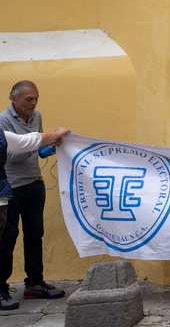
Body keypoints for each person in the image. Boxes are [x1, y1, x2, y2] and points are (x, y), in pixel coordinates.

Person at [0, 81, 70, 311]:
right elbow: (9, 156)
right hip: (10, 188)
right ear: (13, 98)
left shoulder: (36, 116)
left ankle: (34, 283)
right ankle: (1, 288)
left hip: (33, 183)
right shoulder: (3, 121)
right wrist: (41, 140)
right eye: (28, 99)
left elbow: (36, 150)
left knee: (35, 234)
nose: (33, 103)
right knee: (6, 238)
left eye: (36, 98)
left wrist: (50, 146)